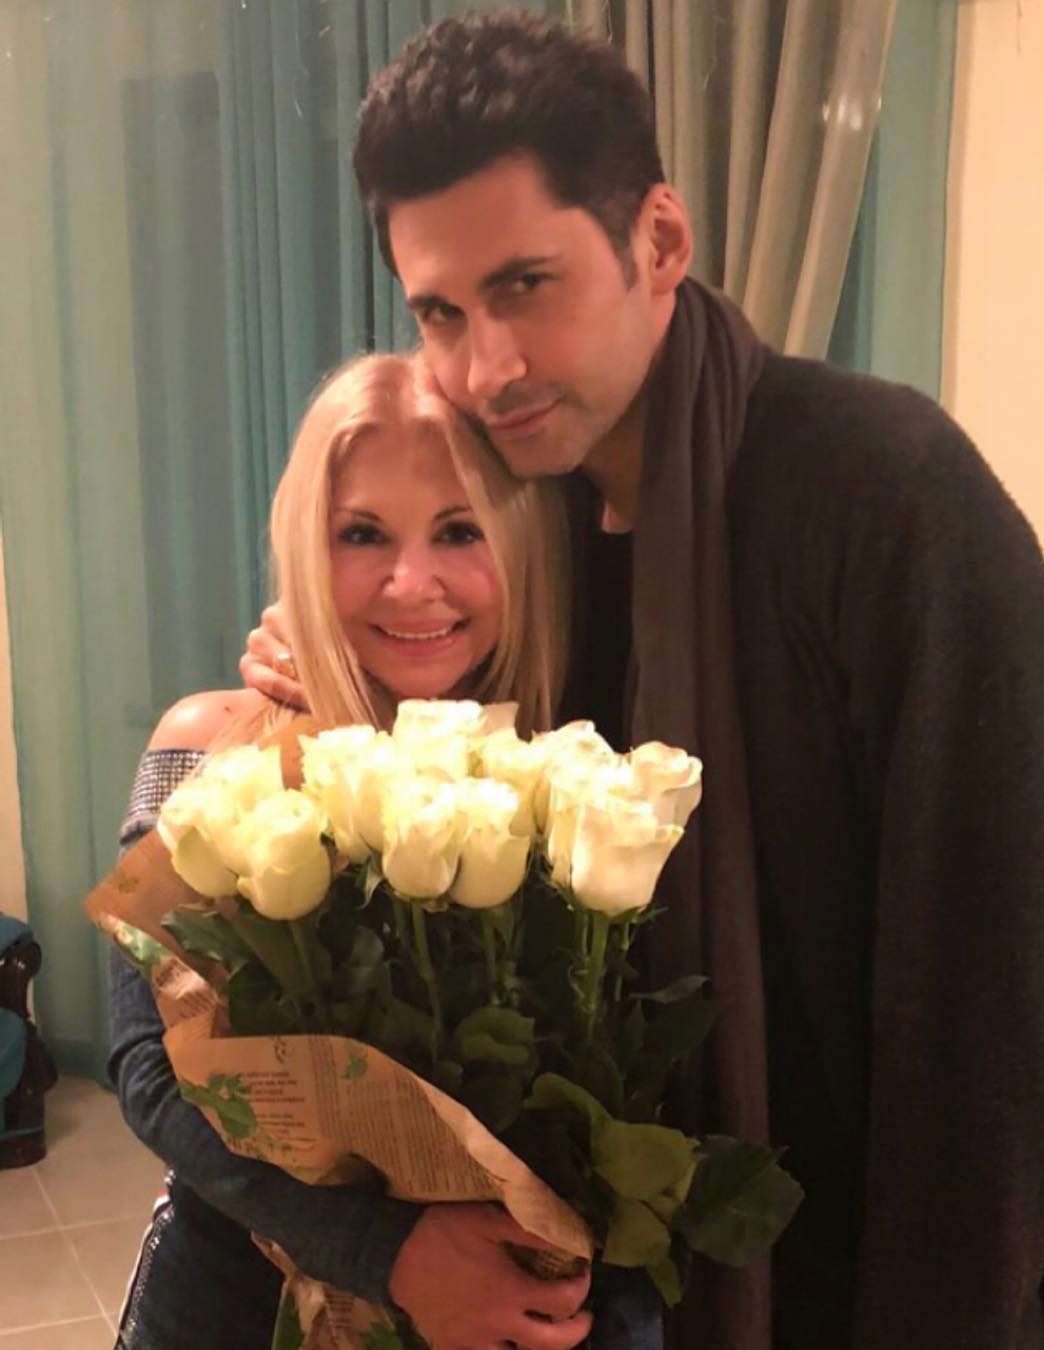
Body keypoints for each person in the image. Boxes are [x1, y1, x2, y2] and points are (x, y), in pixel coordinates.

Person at [243, 13, 1044, 1350]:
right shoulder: (529, 541)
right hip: (617, 1293)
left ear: (660, 242)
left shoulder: (888, 497)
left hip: (862, 1289)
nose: (485, 367)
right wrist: (318, 661)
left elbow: (997, 1023)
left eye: (526, 285)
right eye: (442, 312)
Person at [109, 351, 636, 1350]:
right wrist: (386, 1252)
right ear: (308, 549)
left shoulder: (577, 774)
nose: (410, 583)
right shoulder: (205, 743)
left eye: (459, 530)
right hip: (235, 1295)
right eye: (361, 534)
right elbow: (146, 1065)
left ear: (524, 546)